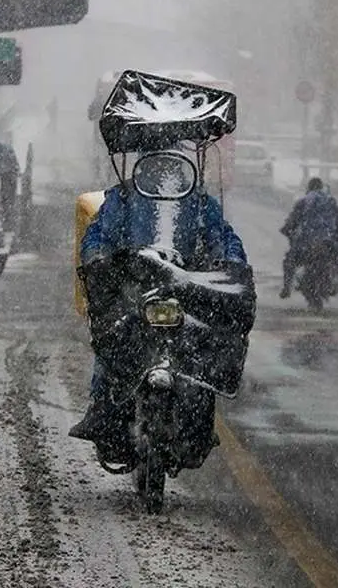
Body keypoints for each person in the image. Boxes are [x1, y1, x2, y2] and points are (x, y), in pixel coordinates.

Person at [69, 148, 252, 460]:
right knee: (111, 344)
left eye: (169, 165)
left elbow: (223, 237)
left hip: (184, 287)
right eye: (157, 165)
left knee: (203, 353)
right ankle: (102, 412)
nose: (162, 172)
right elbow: (98, 234)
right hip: (133, 287)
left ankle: (198, 426)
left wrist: (230, 261)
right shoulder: (122, 199)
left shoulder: (198, 203)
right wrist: (98, 255)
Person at [279, 177, 338, 303]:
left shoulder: (303, 202)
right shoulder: (331, 202)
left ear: (309, 188)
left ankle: (286, 288)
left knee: (289, 261)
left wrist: (287, 229)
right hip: (329, 242)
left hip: (307, 242)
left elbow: (292, 222)